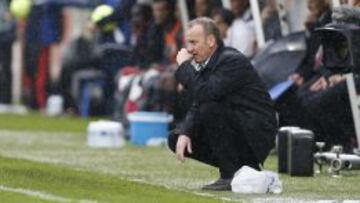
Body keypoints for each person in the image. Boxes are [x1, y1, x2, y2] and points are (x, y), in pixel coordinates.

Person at [167, 17, 277, 191]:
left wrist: (184, 66)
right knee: (175, 138)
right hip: (239, 125)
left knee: (210, 107)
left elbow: (205, 94)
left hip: (256, 129)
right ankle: (242, 168)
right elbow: (199, 100)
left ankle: (231, 173)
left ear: (211, 41)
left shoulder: (230, 60)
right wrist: (185, 132)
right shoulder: (210, 62)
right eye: (188, 43)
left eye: (194, 42)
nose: (189, 49)